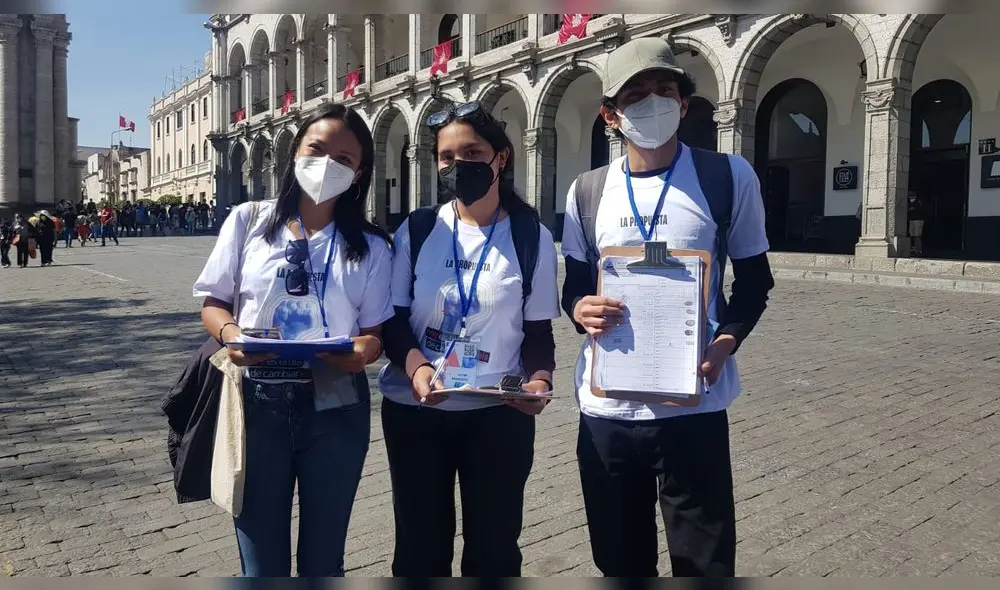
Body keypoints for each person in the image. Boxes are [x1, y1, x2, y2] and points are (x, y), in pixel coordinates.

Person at [560, 37, 774, 577]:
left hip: (693, 406)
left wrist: (724, 343)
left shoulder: (727, 176)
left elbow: (754, 282)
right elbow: (575, 288)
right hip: (608, 410)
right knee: (619, 560)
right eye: (635, 95)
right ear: (611, 114)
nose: (652, 102)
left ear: (683, 103)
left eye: (665, 90)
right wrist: (579, 310)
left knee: (704, 562)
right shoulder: (587, 191)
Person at [193, 103, 393, 577]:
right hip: (257, 397)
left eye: (344, 159)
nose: (328, 165)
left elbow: (373, 333)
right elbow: (212, 302)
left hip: (336, 404)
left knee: (325, 559)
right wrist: (230, 334)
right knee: (260, 562)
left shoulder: (372, 245)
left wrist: (367, 350)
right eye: (317, 150)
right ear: (295, 153)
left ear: (359, 171)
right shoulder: (248, 221)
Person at [378, 101, 560, 577]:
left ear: (501, 158)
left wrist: (539, 381)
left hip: (497, 413)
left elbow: (538, 329)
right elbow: (393, 320)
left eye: (473, 152)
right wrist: (416, 367)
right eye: (446, 156)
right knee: (419, 548)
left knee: (495, 549)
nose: (459, 165)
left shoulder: (530, 235)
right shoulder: (419, 229)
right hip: (417, 411)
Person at [907, 190, 924, 256]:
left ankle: (919, 249)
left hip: (918, 220)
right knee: (912, 235)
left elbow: (911, 209)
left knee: (917, 236)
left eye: (911, 196)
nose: (910, 198)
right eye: (909, 196)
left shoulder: (918, 202)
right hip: (912, 220)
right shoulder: (910, 203)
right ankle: (915, 248)